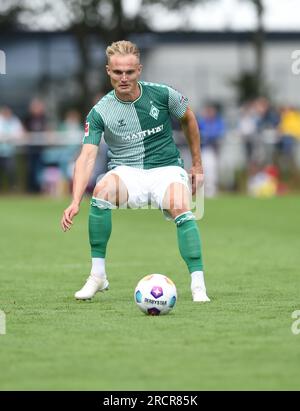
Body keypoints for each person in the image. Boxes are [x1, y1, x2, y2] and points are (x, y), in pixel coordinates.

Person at [61, 40, 210, 303]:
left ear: (139, 70)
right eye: (118, 72)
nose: (124, 78)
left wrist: (197, 164)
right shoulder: (100, 111)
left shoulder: (163, 94)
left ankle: (198, 285)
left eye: (129, 72)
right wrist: (74, 201)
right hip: (126, 172)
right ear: (108, 71)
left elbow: (189, 117)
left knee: (180, 205)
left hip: (166, 169)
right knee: (101, 191)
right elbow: (86, 156)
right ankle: (98, 276)